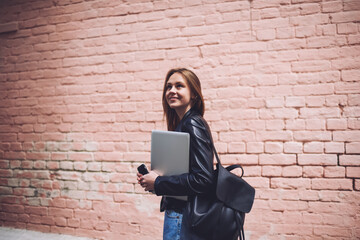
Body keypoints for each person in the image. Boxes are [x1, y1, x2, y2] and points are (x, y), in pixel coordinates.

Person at [137, 68, 215, 240]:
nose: (171, 91)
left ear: (194, 94)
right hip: (181, 215)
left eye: (179, 86)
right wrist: (154, 180)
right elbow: (184, 174)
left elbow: (203, 179)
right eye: (168, 87)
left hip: (183, 217)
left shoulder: (192, 123)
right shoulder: (184, 124)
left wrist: (159, 182)